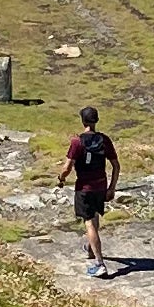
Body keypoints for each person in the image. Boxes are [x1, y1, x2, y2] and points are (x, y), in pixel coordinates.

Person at [64, 106, 120, 271]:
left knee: (88, 222)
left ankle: (99, 263)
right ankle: (90, 248)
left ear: (83, 121)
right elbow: (116, 165)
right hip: (100, 186)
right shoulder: (105, 140)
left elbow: (67, 168)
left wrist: (61, 178)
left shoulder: (77, 142)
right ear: (96, 120)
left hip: (84, 188)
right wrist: (111, 188)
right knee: (94, 217)